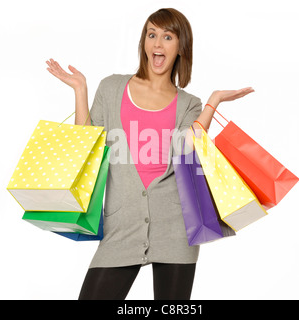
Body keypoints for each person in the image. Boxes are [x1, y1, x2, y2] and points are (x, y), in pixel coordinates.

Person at [46, 8, 254, 300]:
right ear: (143, 42)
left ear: (180, 47)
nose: (157, 44)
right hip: (121, 226)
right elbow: (88, 147)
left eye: (167, 36)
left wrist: (213, 102)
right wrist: (80, 90)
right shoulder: (112, 87)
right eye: (151, 34)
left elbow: (187, 149)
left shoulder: (188, 104)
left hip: (176, 230)